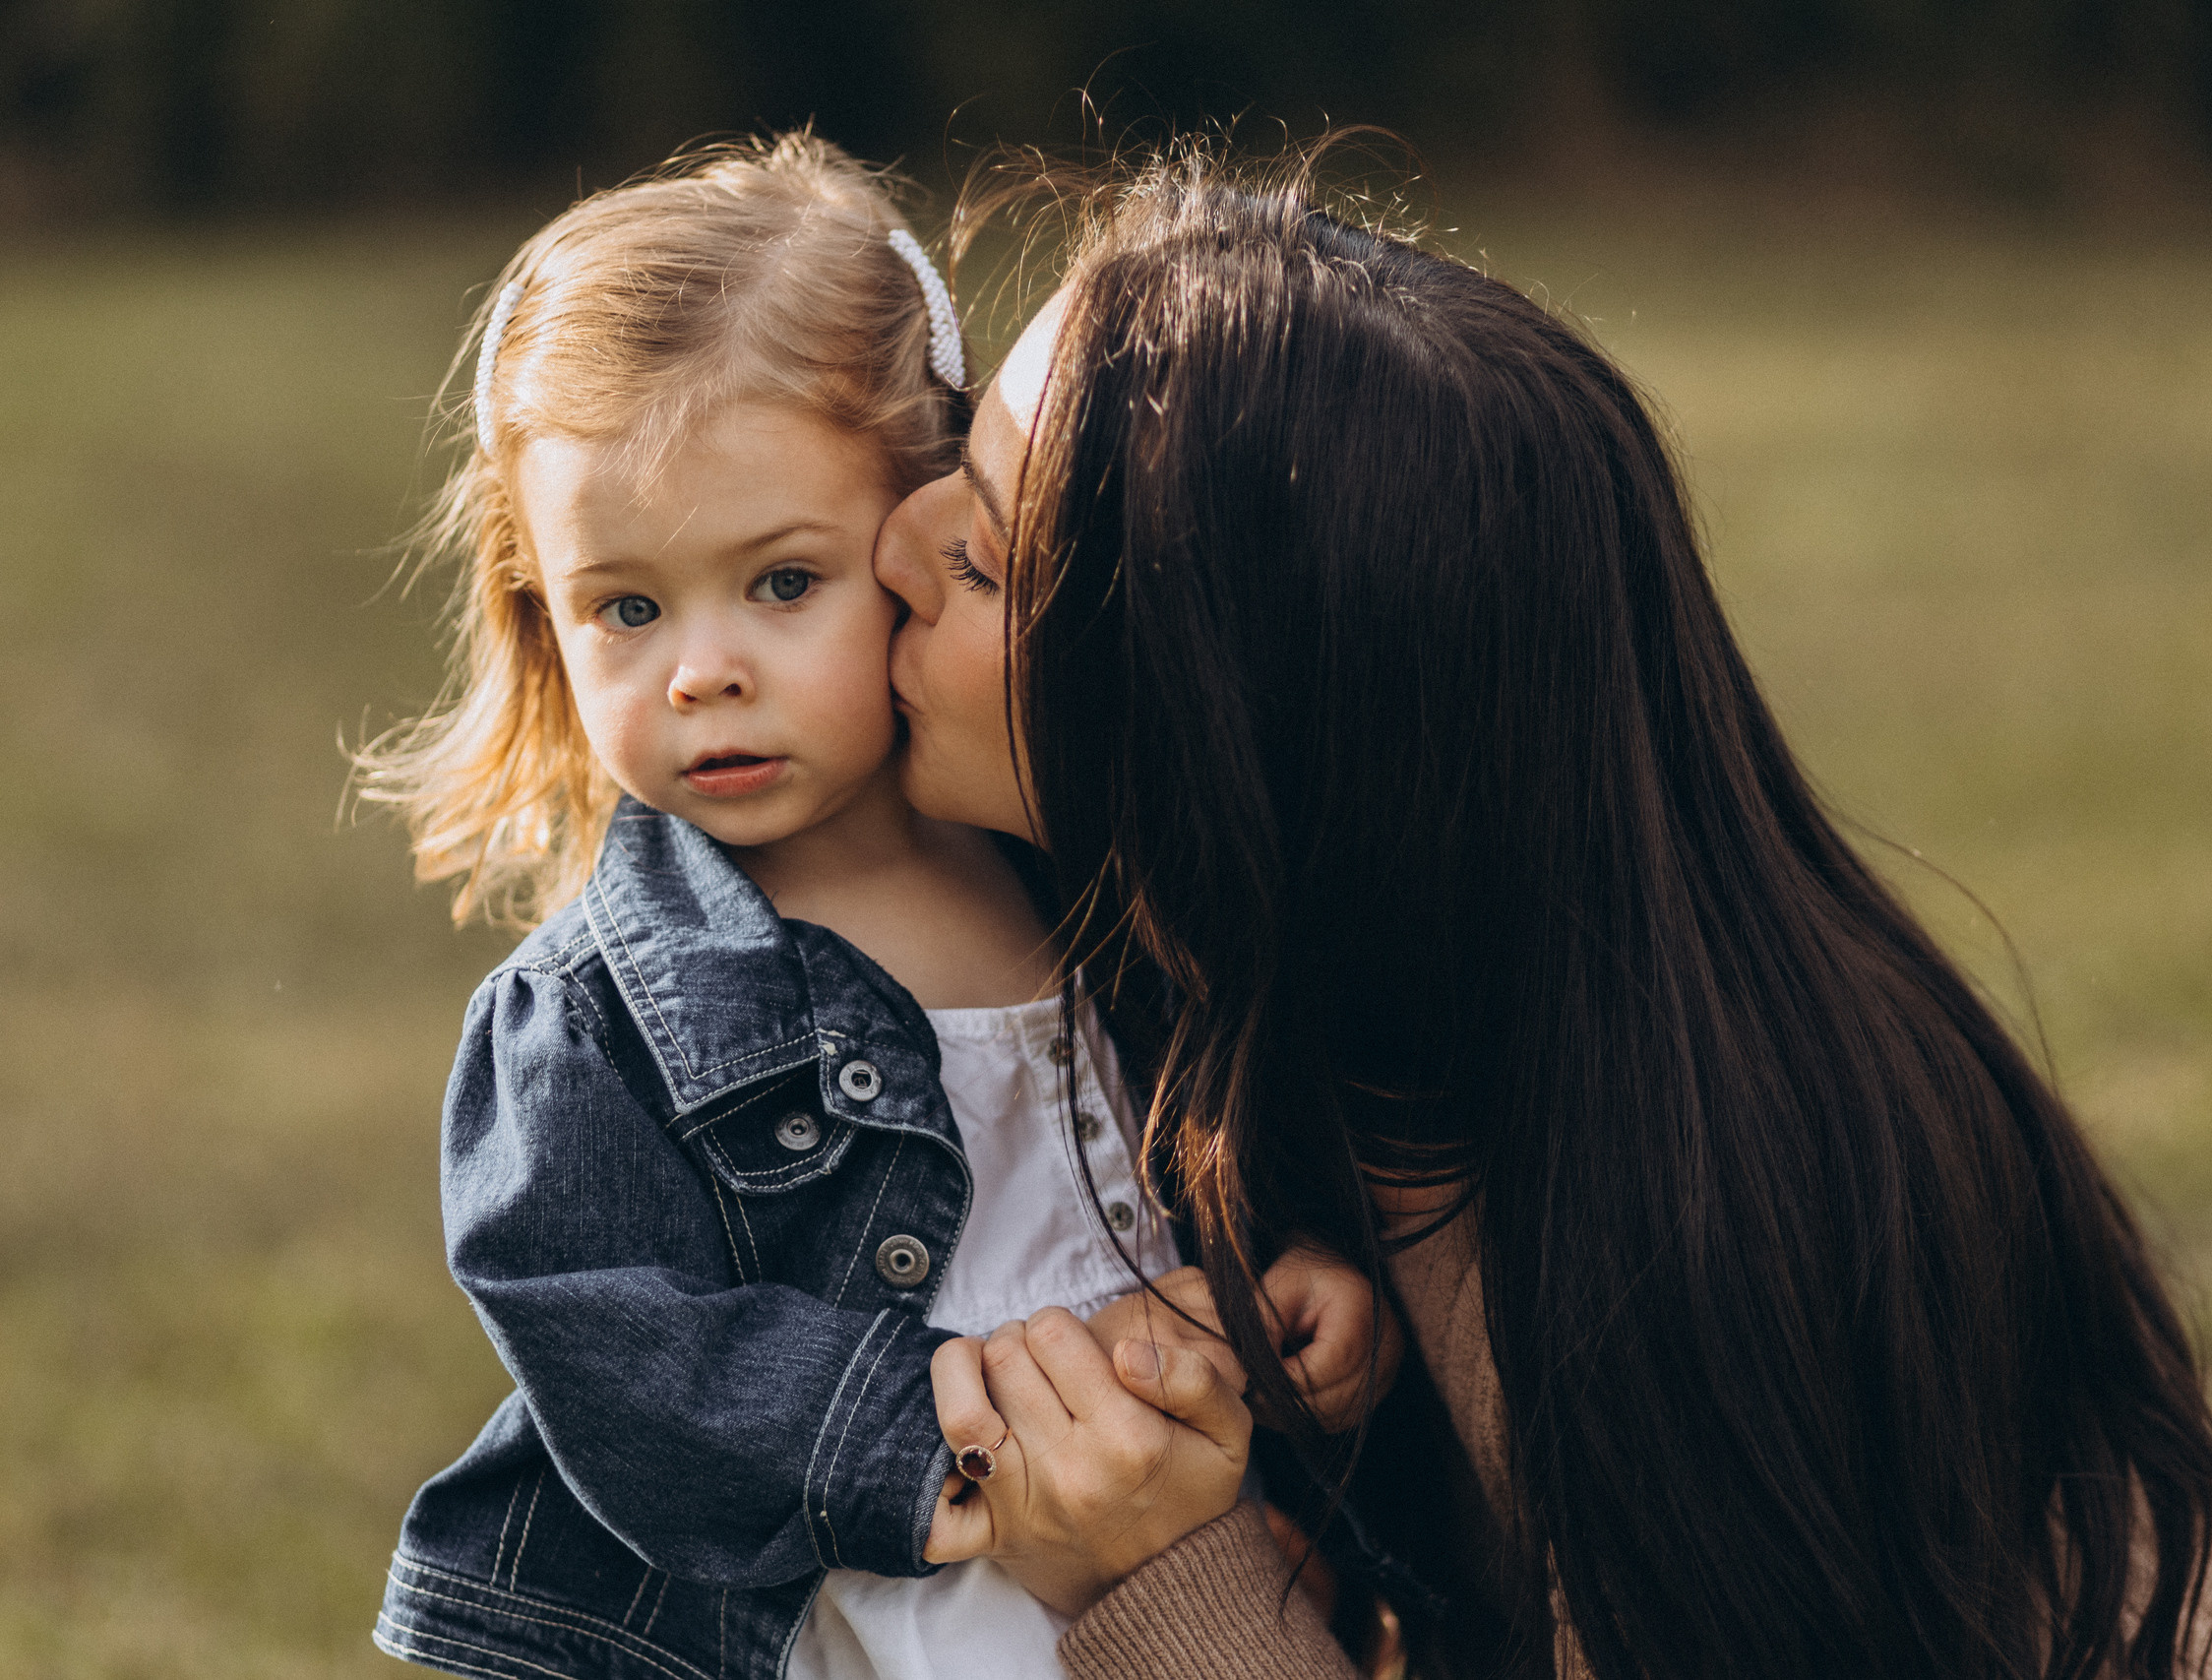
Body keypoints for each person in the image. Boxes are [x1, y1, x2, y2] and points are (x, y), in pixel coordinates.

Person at [873, 143, 2212, 1680]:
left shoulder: (1691, 1268)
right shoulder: (1364, 1008)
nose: (893, 540)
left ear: (1212, 749)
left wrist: (1164, 1572)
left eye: (982, 560)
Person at [354, 134, 1385, 1680]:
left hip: (1157, 1555)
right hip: (873, 1599)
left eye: (783, 584)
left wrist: (1280, 1279)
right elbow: (609, 1342)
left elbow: (1214, 1118)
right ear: (540, 613)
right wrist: (926, 1440)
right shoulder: (592, 1015)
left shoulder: (1082, 872)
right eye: (626, 608)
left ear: (922, 535)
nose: (703, 671)